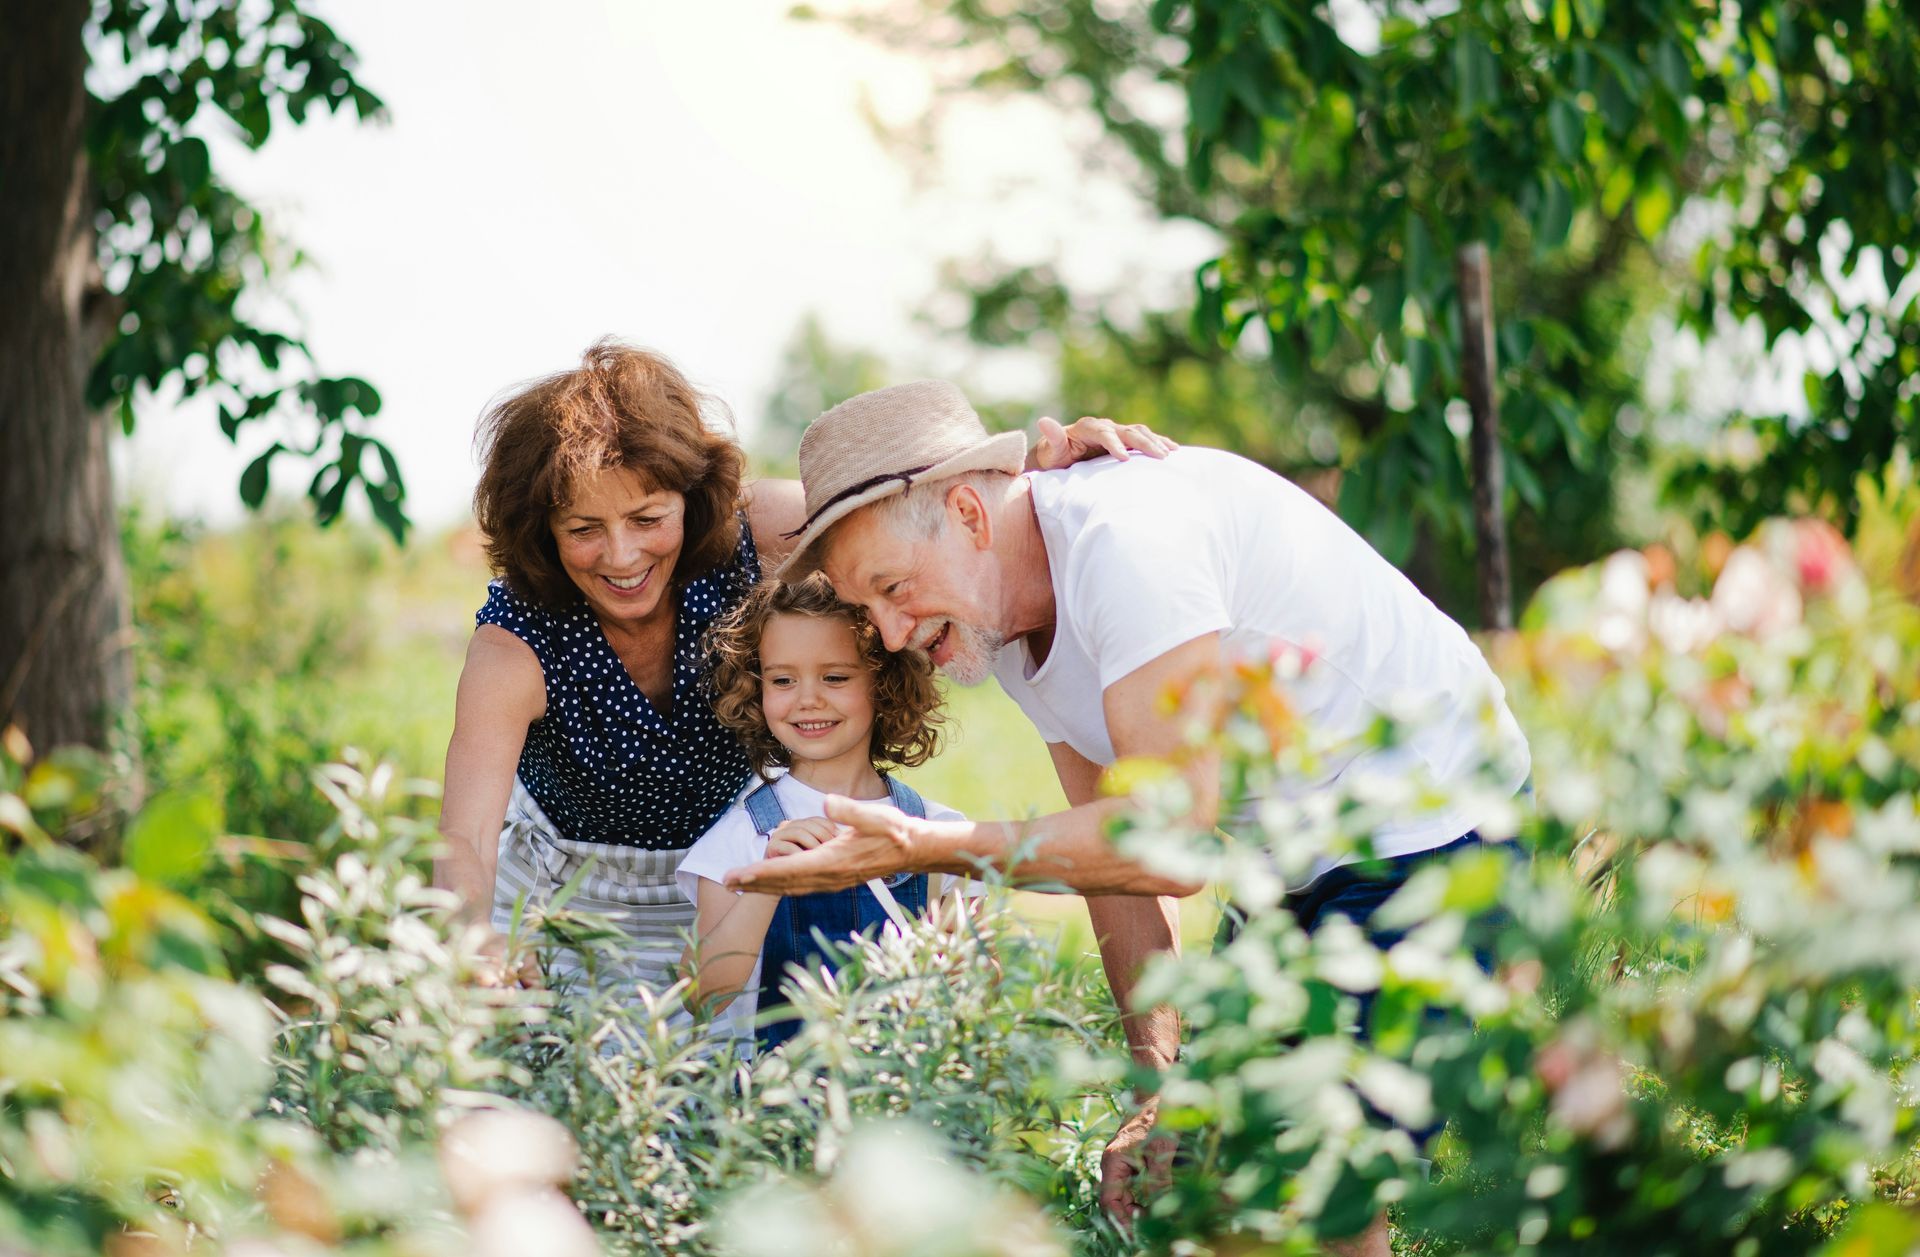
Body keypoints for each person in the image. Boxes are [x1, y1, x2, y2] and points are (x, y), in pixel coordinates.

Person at [723, 380, 1532, 1254]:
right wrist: (1159, 1089)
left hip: (1434, 816)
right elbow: (1110, 857)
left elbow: (1168, 838)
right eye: (865, 605)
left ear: (968, 509)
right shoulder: (1001, 617)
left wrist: (929, 847)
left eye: (891, 587)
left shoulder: (1127, 545)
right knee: (1209, 1175)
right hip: (1295, 851)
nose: (883, 630)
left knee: (1314, 1177)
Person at [433, 341, 1173, 992]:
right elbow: (464, 838)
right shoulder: (515, 645)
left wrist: (1031, 486)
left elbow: (907, 513)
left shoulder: (758, 532)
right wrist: (475, 939)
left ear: (691, 500)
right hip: (571, 902)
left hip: (728, 881)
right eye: (585, 530)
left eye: (648, 518)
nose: (623, 556)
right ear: (543, 530)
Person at [675, 574, 976, 1053]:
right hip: (779, 1113)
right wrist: (766, 885)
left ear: (885, 683)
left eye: (835, 677)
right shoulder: (741, 838)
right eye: (782, 680)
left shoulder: (937, 833)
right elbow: (702, 994)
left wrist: (955, 957)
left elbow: (981, 990)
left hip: (907, 1108)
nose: (808, 698)